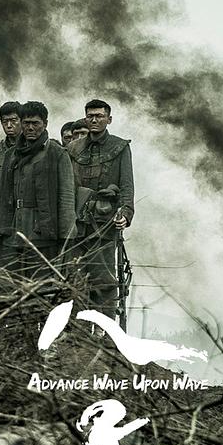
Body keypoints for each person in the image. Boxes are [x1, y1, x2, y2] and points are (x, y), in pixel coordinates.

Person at [0, 101, 77, 278]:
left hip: (43, 235)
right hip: (11, 232)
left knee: (41, 286)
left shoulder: (58, 154)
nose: (30, 128)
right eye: (26, 123)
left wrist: (66, 238)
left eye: (35, 123)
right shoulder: (10, 155)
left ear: (45, 124)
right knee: (9, 285)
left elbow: (66, 198)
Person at [67, 99, 134, 320]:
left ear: (109, 119)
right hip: (76, 225)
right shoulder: (73, 149)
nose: (94, 120)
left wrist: (125, 213)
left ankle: (106, 332)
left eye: (99, 116)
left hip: (104, 224)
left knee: (104, 281)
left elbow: (126, 186)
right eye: (90, 116)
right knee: (75, 279)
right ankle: (79, 332)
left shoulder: (120, 147)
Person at [0, 101, 22, 193]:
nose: (9, 126)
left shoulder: (32, 148)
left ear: (22, 121)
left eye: (13, 121)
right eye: (5, 122)